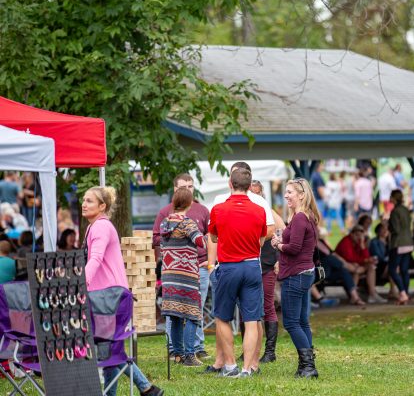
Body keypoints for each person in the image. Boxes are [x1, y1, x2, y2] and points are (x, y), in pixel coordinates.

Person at [82, 186, 163, 396]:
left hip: (109, 298)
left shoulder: (100, 227)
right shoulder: (97, 226)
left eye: (90, 201)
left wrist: (80, 283)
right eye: (84, 199)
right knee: (111, 348)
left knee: (109, 349)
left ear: (102, 206)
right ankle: (145, 389)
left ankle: (146, 388)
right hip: (109, 296)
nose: (84, 204)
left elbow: (96, 259)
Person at [204, 162, 274, 375]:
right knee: (251, 319)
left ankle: (231, 365)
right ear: (249, 185)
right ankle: (247, 369)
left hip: (229, 266)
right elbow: (263, 238)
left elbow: (213, 237)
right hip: (253, 265)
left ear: (230, 184)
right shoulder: (260, 208)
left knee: (222, 317)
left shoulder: (218, 208)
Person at [152, 173, 211, 360]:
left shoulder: (166, 222)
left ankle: (177, 352)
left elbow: (161, 240)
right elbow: (201, 240)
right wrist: (214, 236)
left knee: (174, 313)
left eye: (190, 186)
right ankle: (188, 353)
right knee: (193, 313)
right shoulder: (187, 223)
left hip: (171, 273)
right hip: (188, 273)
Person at [270, 177, 319, 378]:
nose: (286, 195)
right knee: (302, 321)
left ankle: (308, 366)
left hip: (296, 275)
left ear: (302, 195)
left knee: (291, 323)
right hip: (305, 273)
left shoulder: (299, 218)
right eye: (286, 192)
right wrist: (284, 239)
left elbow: (295, 248)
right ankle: (307, 365)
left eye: (290, 192)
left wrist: (278, 245)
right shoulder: (307, 216)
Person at [249, 180, 285, 363]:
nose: (254, 196)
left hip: (267, 264)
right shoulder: (244, 209)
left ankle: (270, 351)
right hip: (248, 263)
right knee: (247, 307)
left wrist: (279, 259)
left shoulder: (268, 212)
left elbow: (282, 230)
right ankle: (249, 350)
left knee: (267, 305)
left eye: (257, 193)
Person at [335, 226, 386, 304]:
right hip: (344, 267)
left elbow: (365, 256)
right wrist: (365, 260)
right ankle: (354, 297)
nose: (358, 237)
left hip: (356, 265)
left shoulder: (359, 242)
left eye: (361, 236)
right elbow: (349, 258)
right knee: (357, 270)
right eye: (357, 235)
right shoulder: (345, 242)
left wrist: (362, 245)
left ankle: (372, 294)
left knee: (371, 267)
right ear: (352, 234)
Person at [316, 237, 365, 305]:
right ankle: (352, 269)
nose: (317, 231)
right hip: (318, 271)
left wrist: (345, 263)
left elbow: (333, 254)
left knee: (343, 271)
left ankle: (355, 297)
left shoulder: (321, 241)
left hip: (329, 270)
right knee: (329, 259)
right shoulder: (308, 242)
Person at [387, 190, 411, 304]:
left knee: (392, 270)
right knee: (404, 270)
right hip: (408, 242)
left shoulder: (395, 212)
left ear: (394, 198)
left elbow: (395, 229)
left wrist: (388, 226)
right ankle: (406, 292)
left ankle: (402, 292)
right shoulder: (406, 210)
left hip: (398, 243)